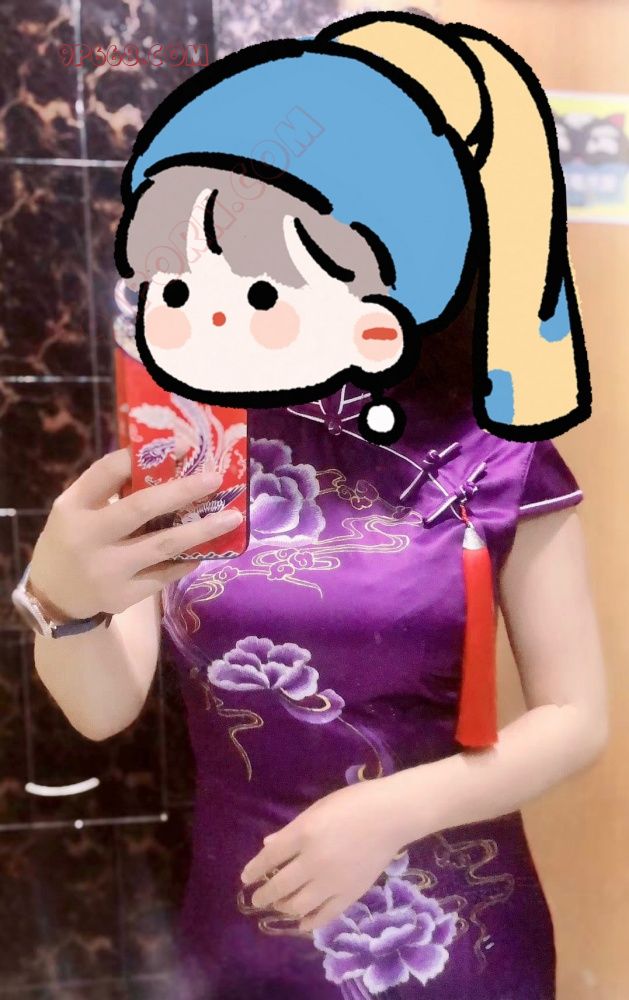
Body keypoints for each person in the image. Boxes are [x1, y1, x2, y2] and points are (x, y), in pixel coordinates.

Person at [23, 11, 608, 1000]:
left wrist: (389, 813)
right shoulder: (191, 439)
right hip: (241, 930)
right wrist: (60, 600)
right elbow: (101, 707)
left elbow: (574, 716)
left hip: (452, 936)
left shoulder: (494, 447)